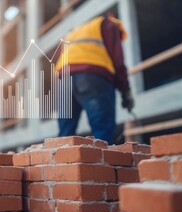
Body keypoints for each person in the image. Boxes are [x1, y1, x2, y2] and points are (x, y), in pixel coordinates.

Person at [55, 14, 134, 144]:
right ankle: (101, 163)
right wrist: (125, 91)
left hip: (63, 80)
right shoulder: (109, 25)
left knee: (64, 135)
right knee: (102, 132)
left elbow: (60, 55)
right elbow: (118, 61)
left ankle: (61, 163)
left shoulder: (74, 32)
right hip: (92, 77)